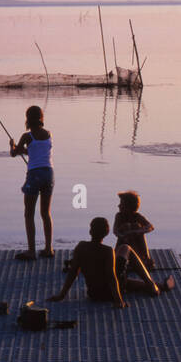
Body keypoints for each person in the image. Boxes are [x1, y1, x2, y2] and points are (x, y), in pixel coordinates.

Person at [49, 217, 163, 306]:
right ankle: (152, 284)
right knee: (125, 248)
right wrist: (118, 300)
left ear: (90, 231)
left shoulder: (81, 247)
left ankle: (155, 285)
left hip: (94, 294)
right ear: (106, 233)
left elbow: (73, 272)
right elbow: (111, 276)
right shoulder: (107, 251)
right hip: (109, 293)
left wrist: (62, 295)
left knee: (129, 278)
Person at [9, 105, 53, 260]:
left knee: (29, 214)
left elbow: (14, 154)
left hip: (34, 175)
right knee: (45, 213)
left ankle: (32, 251)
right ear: (41, 117)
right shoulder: (48, 134)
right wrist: (21, 150)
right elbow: (35, 151)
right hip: (49, 173)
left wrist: (12, 145)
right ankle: (48, 249)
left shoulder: (27, 136)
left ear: (27, 119)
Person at [113, 190, 174, 291]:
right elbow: (115, 231)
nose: (118, 206)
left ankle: (143, 259)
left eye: (121, 204)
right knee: (127, 227)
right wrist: (124, 235)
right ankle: (157, 284)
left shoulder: (137, 217)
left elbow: (150, 227)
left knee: (136, 227)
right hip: (124, 248)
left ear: (129, 207)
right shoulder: (119, 216)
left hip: (136, 250)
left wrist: (138, 231)